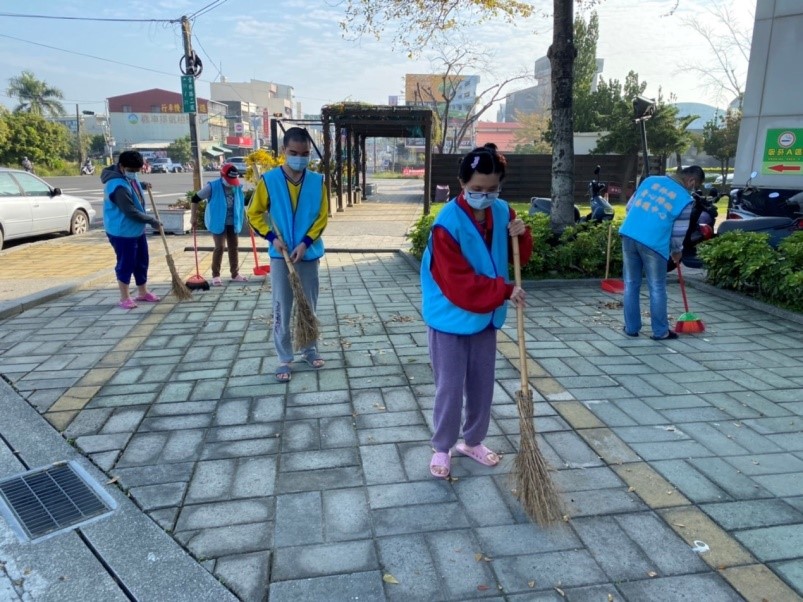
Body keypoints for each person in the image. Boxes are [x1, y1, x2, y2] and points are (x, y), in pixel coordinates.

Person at [420, 143, 532, 479]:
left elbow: (518, 257)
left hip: (485, 316)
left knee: (482, 383)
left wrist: (523, 235)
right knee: (450, 386)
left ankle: (473, 442)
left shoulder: (503, 212)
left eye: (492, 188)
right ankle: (442, 447)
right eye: (476, 189)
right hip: (450, 317)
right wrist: (504, 291)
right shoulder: (446, 223)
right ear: (462, 183)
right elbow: (457, 283)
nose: (484, 195)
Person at [247, 127, 328, 383]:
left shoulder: (317, 181)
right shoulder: (269, 181)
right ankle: (284, 357)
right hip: (281, 257)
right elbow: (254, 214)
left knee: (308, 305)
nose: (299, 158)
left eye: (304, 154)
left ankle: (309, 348)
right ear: (284, 151)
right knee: (281, 306)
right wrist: (273, 239)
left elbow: (321, 217)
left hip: (308, 254)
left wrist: (305, 243)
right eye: (294, 153)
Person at [619, 165, 705, 340]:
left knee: (630, 283)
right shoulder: (685, 199)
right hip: (654, 242)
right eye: (695, 186)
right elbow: (678, 232)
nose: (694, 189)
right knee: (657, 287)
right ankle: (660, 332)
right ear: (691, 181)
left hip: (629, 234)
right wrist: (677, 251)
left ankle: (631, 328)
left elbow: (629, 207)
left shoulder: (650, 181)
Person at [101, 150, 162, 309]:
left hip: (136, 229)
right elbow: (130, 211)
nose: (135, 173)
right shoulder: (117, 186)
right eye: (132, 171)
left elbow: (132, 185)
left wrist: (142, 184)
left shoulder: (127, 178)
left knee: (141, 260)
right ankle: (124, 297)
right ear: (121, 167)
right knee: (126, 262)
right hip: (122, 231)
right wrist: (152, 221)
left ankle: (142, 292)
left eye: (137, 171)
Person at [190, 162, 248, 286]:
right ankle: (215, 275)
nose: (231, 182)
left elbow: (241, 202)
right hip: (218, 222)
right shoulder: (212, 186)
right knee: (220, 247)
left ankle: (235, 274)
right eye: (229, 179)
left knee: (234, 247)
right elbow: (195, 199)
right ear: (222, 175)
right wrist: (193, 217)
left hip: (233, 222)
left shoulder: (237, 186)